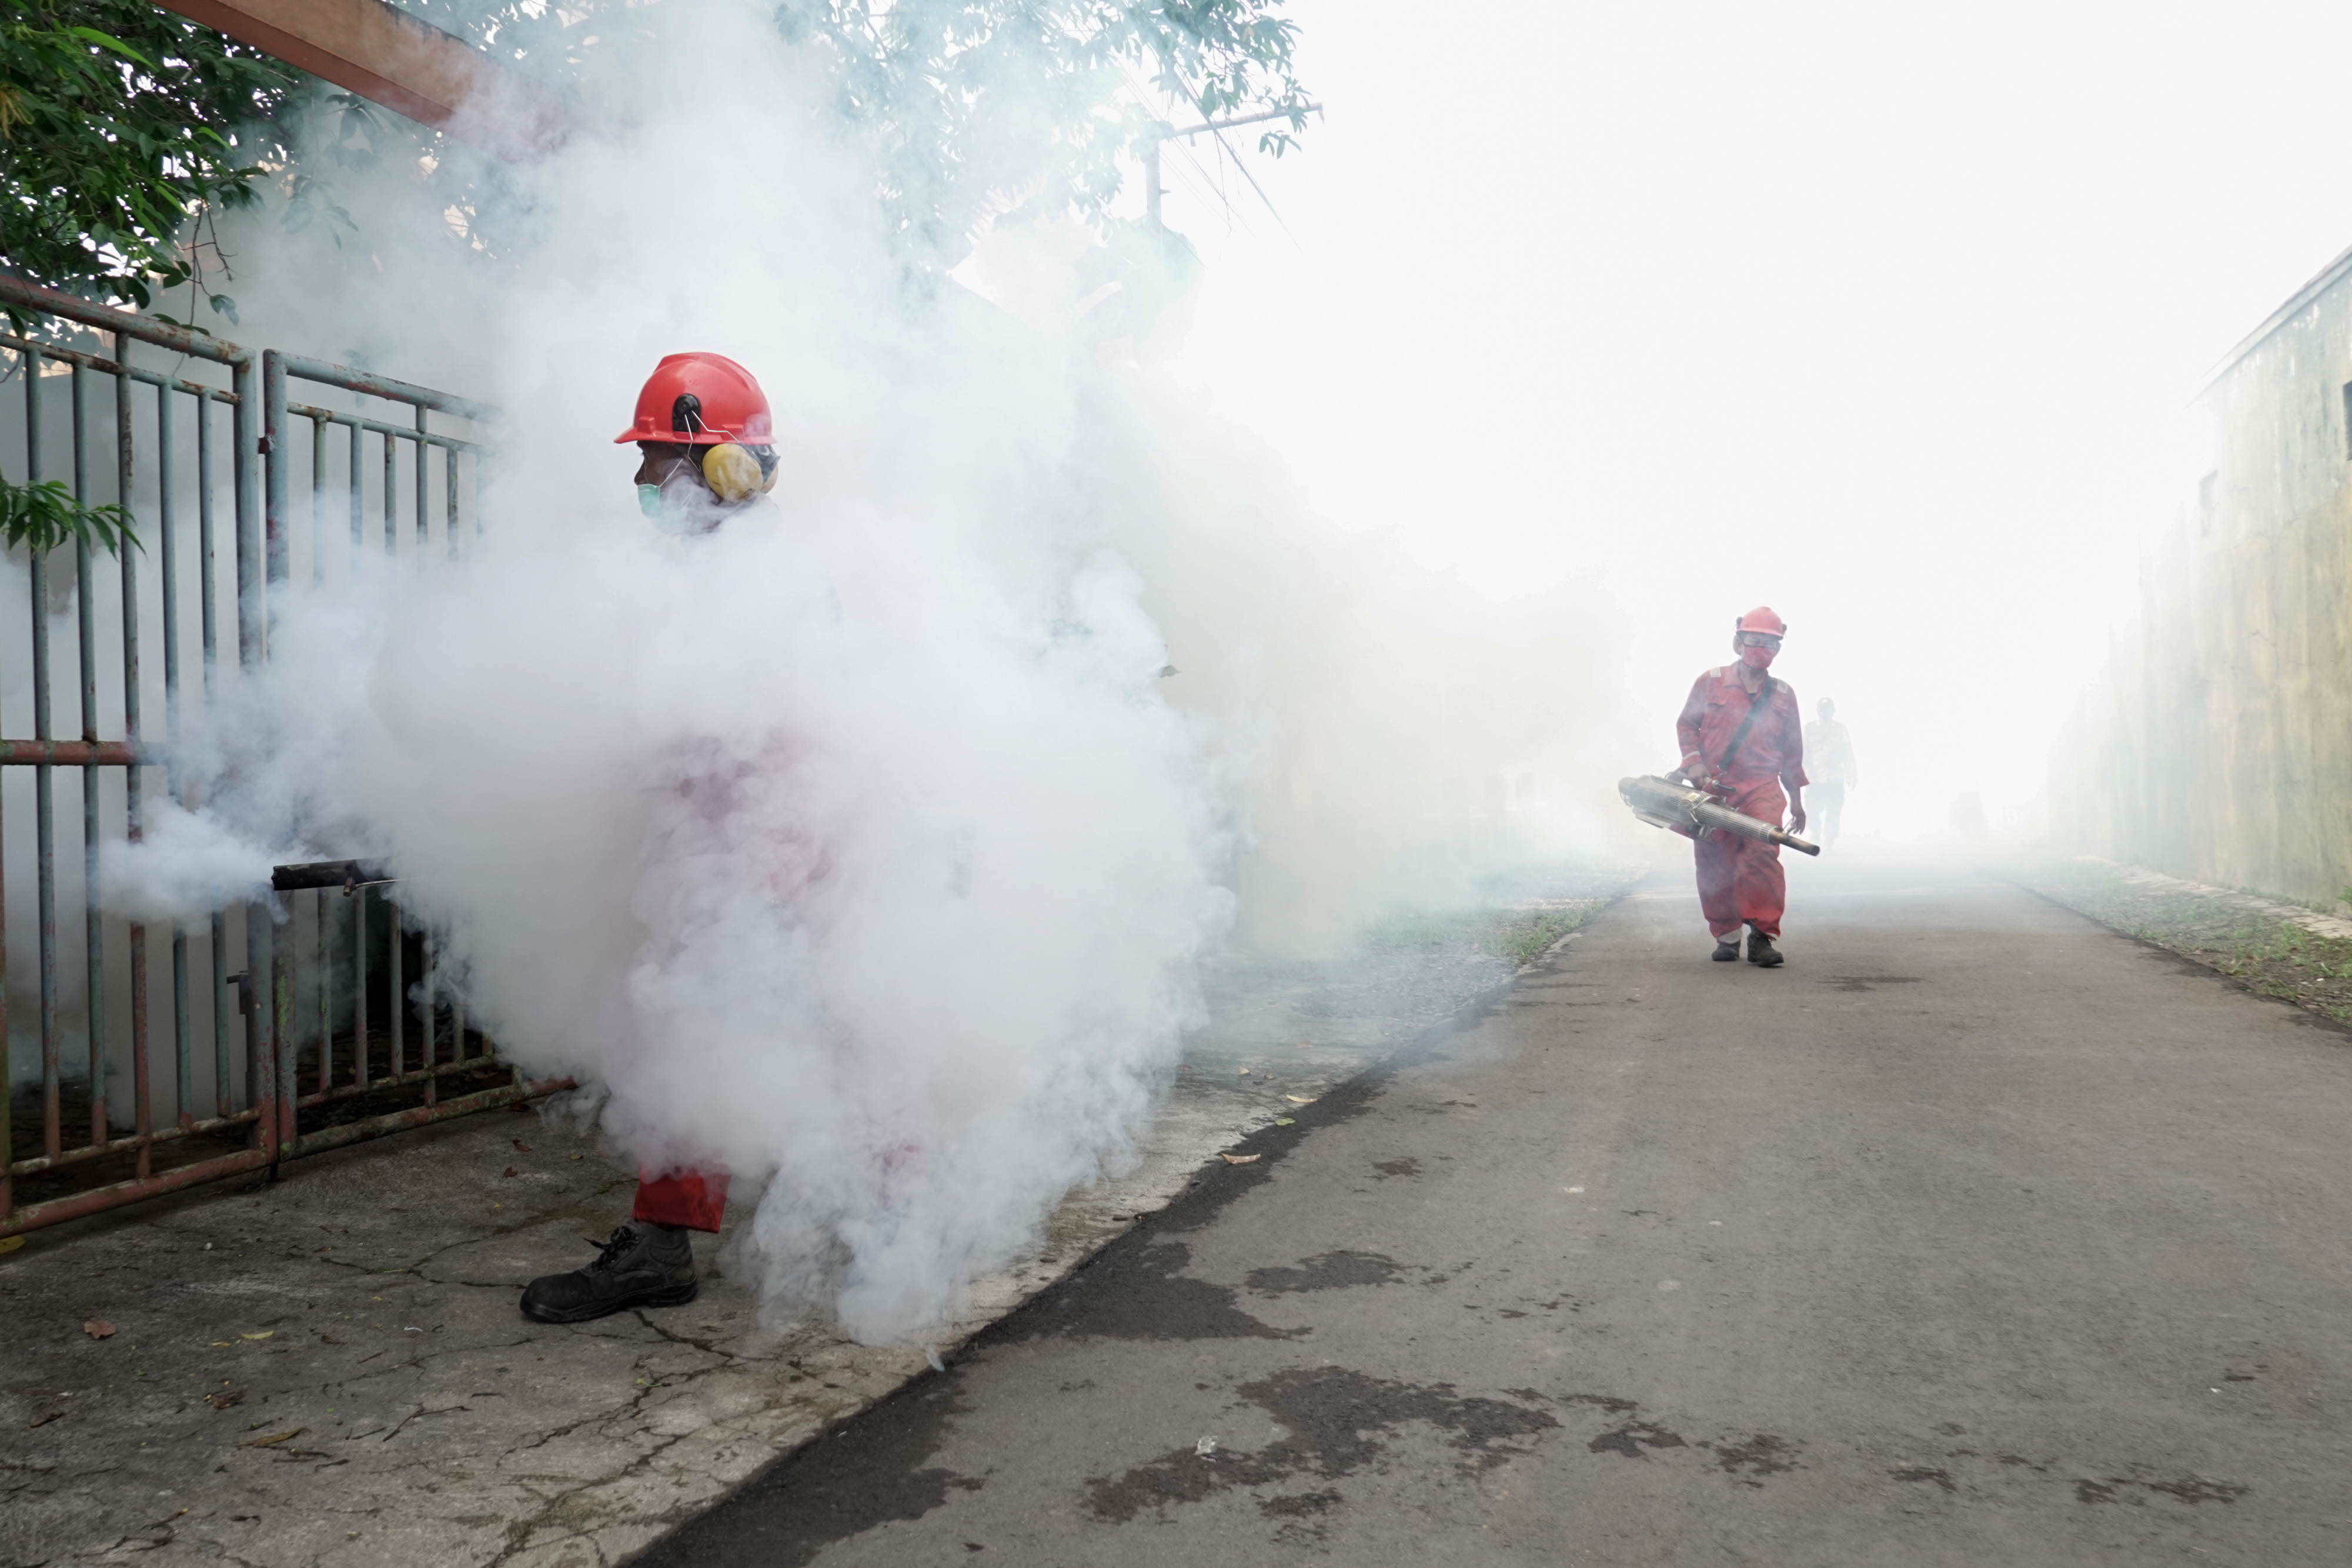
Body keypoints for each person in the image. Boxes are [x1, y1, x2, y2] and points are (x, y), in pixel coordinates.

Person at [520, 352, 779, 1325]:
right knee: (815, 1018)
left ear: (719, 468)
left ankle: (664, 1247)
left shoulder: (744, 584)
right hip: (736, 850)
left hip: (746, 854)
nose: (640, 482)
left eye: (659, 461)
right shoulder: (715, 575)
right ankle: (888, 1211)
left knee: (689, 1023)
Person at [1675, 607, 1807, 967]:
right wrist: (1694, 763)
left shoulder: (1782, 693)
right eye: (1756, 640)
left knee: (1762, 853)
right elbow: (1687, 725)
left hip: (1762, 785)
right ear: (1739, 641)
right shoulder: (1711, 681)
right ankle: (1727, 935)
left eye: (1771, 643)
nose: (1763, 648)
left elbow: (1793, 749)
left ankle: (1762, 937)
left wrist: (1796, 798)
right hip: (1715, 785)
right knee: (1714, 859)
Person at [1803, 697, 1857, 849]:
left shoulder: (1841, 729)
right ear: (1817, 711)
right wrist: (1798, 775)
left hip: (1835, 778)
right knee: (1812, 810)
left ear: (1833, 711)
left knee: (1834, 811)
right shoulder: (1809, 728)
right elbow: (1804, 752)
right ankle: (1815, 837)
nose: (1824, 712)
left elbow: (1848, 752)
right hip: (1814, 778)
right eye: (1821, 709)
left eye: (1827, 709)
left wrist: (1851, 774)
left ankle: (1829, 843)